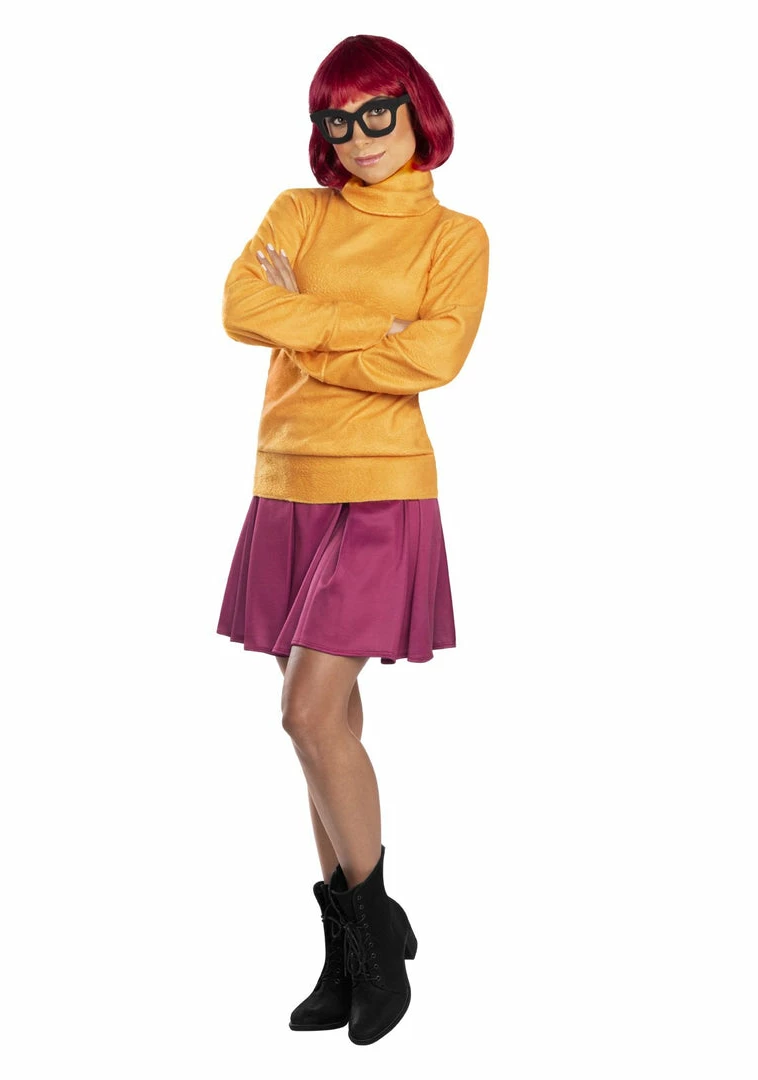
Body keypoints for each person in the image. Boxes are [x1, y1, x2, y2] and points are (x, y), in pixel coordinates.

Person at [215, 34, 489, 1044]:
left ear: (418, 111)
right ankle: (346, 951)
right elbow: (241, 305)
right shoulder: (298, 211)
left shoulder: (455, 236)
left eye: (379, 112)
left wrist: (308, 324)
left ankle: (376, 941)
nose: (361, 136)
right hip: (286, 484)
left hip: (381, 490)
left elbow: (437, 356)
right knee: (328, 726)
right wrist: (371, 331)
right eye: (339, 119)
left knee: (305, 712)